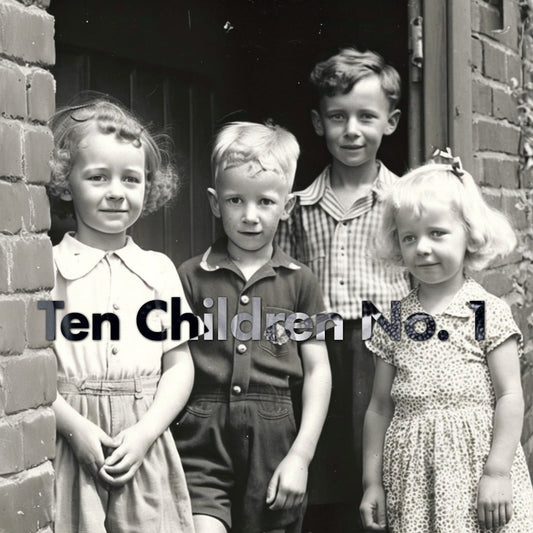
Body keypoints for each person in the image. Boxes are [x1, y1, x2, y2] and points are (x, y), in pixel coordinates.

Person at [360, 155, 533, 532]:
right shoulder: (392, 320)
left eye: (437, 233)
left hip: (476, 472)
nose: (422, 248)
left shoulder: (483, 310)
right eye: (409, 237)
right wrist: (372, 483)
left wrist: (498, 472)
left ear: (469, 234)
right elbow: (379, 406)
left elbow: (509, 395)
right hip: (413, 478)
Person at [174, 121, 332, 533]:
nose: (249, 216)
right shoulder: (189, 276)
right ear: (215, 203)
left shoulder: (302, 282)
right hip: (201, 437)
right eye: (235, 200)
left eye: (265, 201)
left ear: (287, 206)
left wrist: (301, 457)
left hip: (274, 442)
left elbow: (318, 370)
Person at [46, 98, 195, 533]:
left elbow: (180, 365)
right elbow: (33, 369)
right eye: (98, 177)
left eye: (131, 178)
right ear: (65, 183)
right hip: (72, 437)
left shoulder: (159, 270)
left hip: (143, 442)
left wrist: (147, 432)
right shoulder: (49, 268)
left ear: (149, 186)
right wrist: (73, 428)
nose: (116, 191)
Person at [277, 47, 410, 531]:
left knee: (380, 468)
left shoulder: (404, 202)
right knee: (321, 475)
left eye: (366, 116)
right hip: (317, 351)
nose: (352, 129)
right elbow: (285, 285)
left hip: (383, 349)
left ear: (390, 122)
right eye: (338, 116)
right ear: (319, 122)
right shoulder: (297, 206)